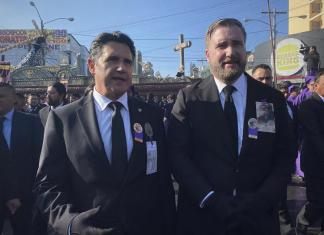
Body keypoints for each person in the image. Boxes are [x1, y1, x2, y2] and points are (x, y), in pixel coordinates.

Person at [33, 31, 176, 235]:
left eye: (127, 62)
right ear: (92, 66)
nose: (122, 68)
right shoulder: (64, 118)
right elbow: (47, 186)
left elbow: (162, 182)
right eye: (112, 60)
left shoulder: (151, 116)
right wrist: (71, 224)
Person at [167, 18, 293, 235]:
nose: (230, 52)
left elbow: (285, 154)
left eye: (237, 44)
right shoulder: (189, 99)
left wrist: (261, 199)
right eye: (222, 45)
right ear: (208, 54)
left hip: (258, 219)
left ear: (245, 51)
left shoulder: (271, 99)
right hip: (203, 218)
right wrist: (210, 198)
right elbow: (177, 155)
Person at [0, 82, 43, 235]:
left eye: (2, 97)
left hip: (25, 197)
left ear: (14, 99)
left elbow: (39, 161)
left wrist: (20, 194)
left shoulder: (32, 123)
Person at [296, 71, 324, 235]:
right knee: (318, 201)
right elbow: (314, 135)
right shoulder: (308, 105)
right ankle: (302, 222)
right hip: (315, 162)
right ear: (316, 86)